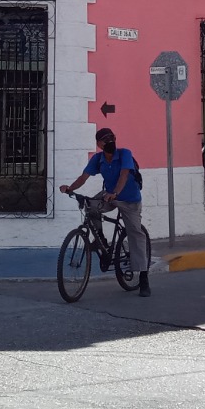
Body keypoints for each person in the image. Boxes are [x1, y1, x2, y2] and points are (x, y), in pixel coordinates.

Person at [60, 126, 150, 297]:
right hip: (108, 196)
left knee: (135, 234)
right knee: (91, 205)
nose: (109, 141)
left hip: (129, 199)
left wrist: (115, 193)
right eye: (105, 139)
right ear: (99, 144)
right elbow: (83, 177)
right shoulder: (98, 159)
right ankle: (100, 239)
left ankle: (144, 277)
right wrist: (70, 188)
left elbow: (124, 175)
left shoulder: (125, 154)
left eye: (111, 137)